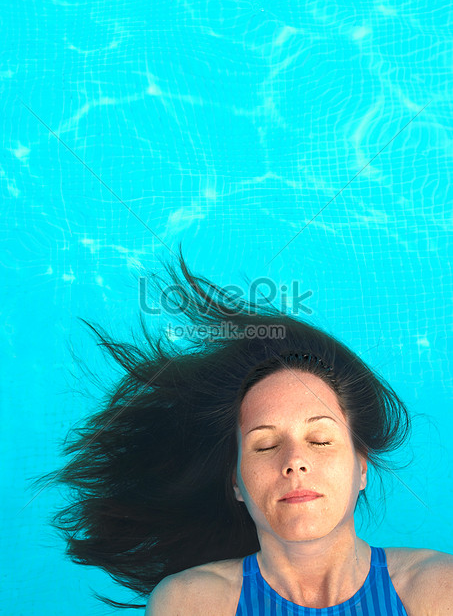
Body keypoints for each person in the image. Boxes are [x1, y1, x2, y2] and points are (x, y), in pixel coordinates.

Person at [37, 246, 453, 615]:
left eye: (320, 439)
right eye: (265, 444)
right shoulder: (189, 604)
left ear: (361, 467)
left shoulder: (437, 590)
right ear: (236, 482)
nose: (294, 462)